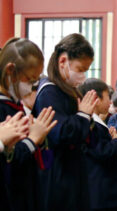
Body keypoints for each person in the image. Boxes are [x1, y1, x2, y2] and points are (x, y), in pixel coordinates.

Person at [32, 33, 97, 211]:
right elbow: (60, 132)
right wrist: (83, 114)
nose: (82, 75)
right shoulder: (49, 92)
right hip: (58, 174)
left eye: (86, 70)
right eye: (80, 69)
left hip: (73, 172)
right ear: (63, 61)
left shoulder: (67, 91)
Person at [0, 38, 57, 211]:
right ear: (10, 70)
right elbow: (9, 161)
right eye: (29, 79)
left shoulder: (15, 104)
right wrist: (32, 140)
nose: (31, 86)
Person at [78, 78, 117, 211]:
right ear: (96, 99)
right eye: (108, 97)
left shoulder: (96, 123)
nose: (111, 102)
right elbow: (102, 152)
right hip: (100, 187)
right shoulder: (90, 124)